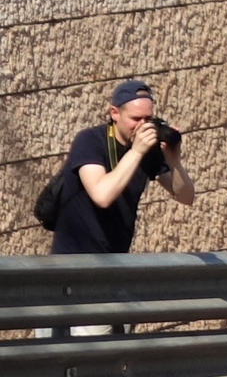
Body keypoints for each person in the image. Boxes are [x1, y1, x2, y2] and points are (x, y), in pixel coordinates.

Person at [46, 77, 197, 254]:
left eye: (148, 118)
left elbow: (186, 197)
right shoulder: (89, 141)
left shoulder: (149, 149)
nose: (142, 126)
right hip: (75, 259)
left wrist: (175, 163)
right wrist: (136, 152)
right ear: (114, 113)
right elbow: (102, 196)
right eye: (135, 118)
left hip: (115, 259)